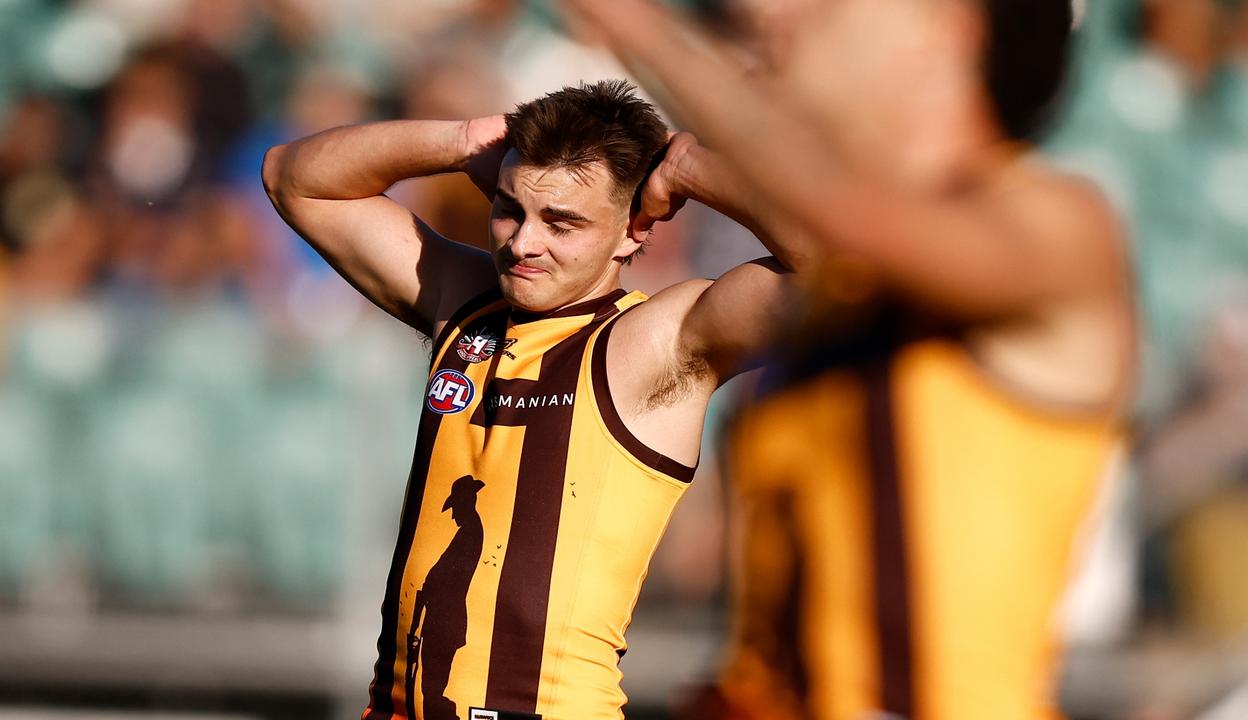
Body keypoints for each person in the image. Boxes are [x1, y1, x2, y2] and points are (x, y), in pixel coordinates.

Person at [563, 1, 1137, 719]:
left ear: (948, 27)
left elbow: (854, 218)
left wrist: (639, 30)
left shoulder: (1058, 223)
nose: (793, 15)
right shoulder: (840, 285)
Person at [261, 80, 800, 720]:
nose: (523, 244)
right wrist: (464, 143)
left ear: (632, 231)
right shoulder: (463, 304)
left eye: (562, 222)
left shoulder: (657, 343)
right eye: (510, 209)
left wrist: (692, 171)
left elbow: (844, 268)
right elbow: (293, 178)